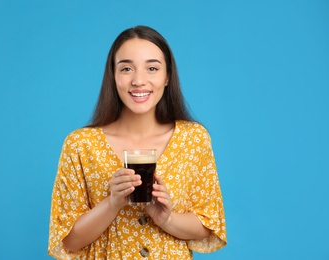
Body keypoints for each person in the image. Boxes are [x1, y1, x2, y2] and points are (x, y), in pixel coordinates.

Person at [48, 25, 227, 259]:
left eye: (152, 68)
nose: (139, 80)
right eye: (126, 69)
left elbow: (207, 227)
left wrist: (167, 218)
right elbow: (68, 242)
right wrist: (112, 203)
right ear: (113, 76)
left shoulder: (193, 139)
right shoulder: (81, 145)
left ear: (167, 76)